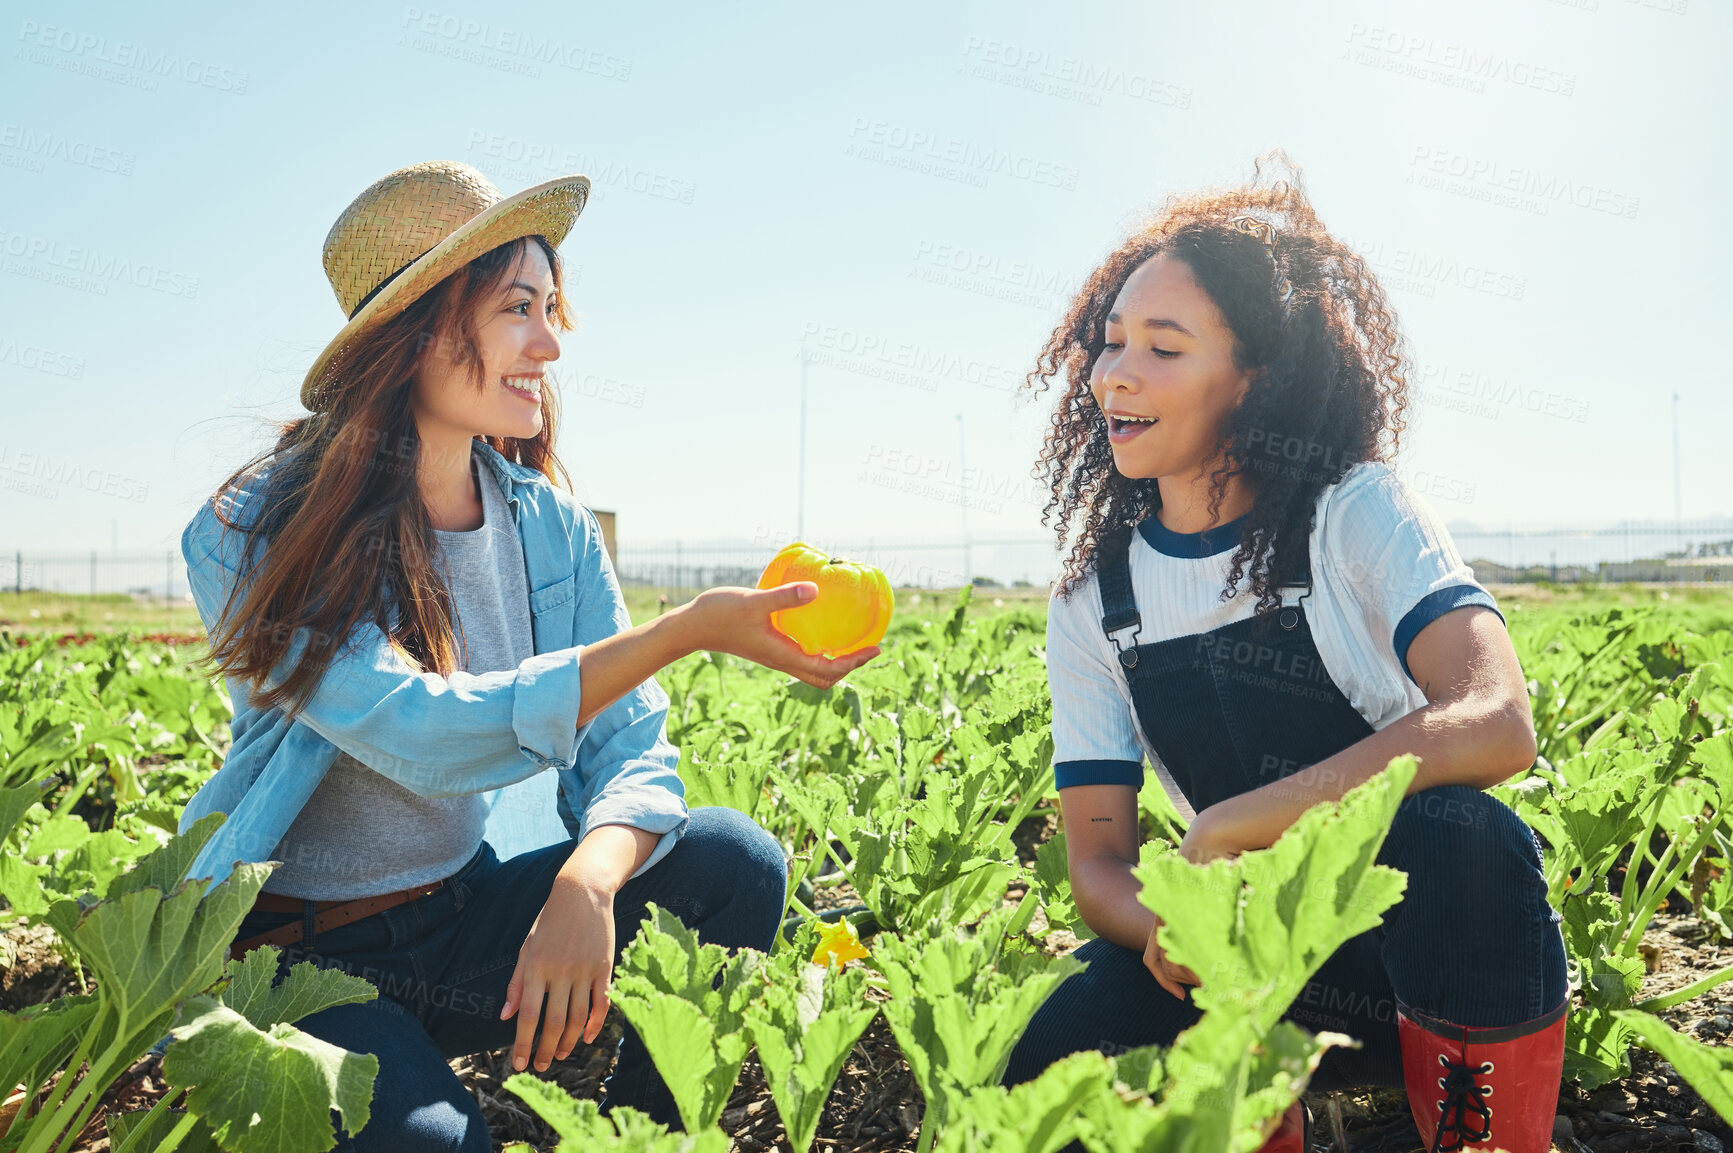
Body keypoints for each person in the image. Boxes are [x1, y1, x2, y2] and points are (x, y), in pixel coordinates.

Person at [178, 160, 879, 1153]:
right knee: (439, 1143)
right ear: (416, 329)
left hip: (463, 927)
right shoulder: (256, 528)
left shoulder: (547, 526)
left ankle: (631, 1138)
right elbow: (421, 732)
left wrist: (588, 881)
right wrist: (678, 631)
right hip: (299, 964)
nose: (549, 343)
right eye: (519, 308)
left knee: (733, 862)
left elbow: (630, 752)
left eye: (553, 307)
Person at [1001, 155, 1567, 1153]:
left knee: (1463, 839)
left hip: (1409, 963)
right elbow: (1093, 856)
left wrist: (1233, 821)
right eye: (1110, 342)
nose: (1113, 373)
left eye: (1162, 348)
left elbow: (1494, 719)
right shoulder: (1095, 596)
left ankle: (1476, 1135)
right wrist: (1163, 925)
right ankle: (1266, 1120)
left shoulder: (1352, 512)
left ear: (1254, 378)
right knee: (1044, 1057)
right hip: (1231, 956)